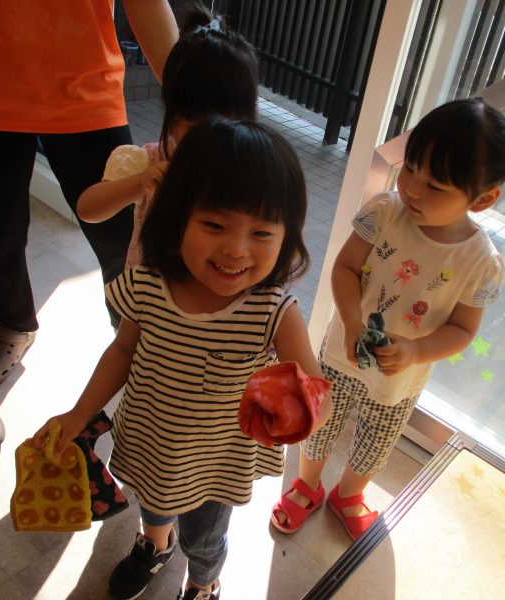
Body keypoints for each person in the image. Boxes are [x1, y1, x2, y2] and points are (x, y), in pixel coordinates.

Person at [31, 118, 331, 600]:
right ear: (176, 217)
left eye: (261, 232)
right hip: (152, 443)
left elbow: (317, 389)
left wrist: (301, 408)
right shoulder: (148, 283)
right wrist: (79, 413)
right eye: (214, 225)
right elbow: (122, 350)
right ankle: (155, 544)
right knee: (153, 506)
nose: (235, 249)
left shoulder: (275, 312)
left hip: (215, 465)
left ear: (286, 237)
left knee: (204, 541)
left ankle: (203, 582)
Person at [271, 98, 505, 541]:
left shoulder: (480, 262)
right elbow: (345, 268)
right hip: (341, 352)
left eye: (435, 185)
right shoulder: (385, 211)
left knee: (376, 442)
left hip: (402, 375)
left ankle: (349, 494)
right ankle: (307, 484)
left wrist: (415, 349)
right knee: (321, 423)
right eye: (410, 168)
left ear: (484, 198)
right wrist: (352, 324)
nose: (413, 188)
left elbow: (463, 330)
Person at [0, 0, 178, 386]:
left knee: (124, 233)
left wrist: (188, 102)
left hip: (86, 83)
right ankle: (11, 323)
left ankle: (135, 334)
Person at [77, 2, 259, 271]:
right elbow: (88, 210)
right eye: (197, 128)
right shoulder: (151, 161)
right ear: (173, 119)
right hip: (147, 295)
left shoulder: (253, 172)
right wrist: (139, 183)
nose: (212, 139)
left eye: (227, 127)